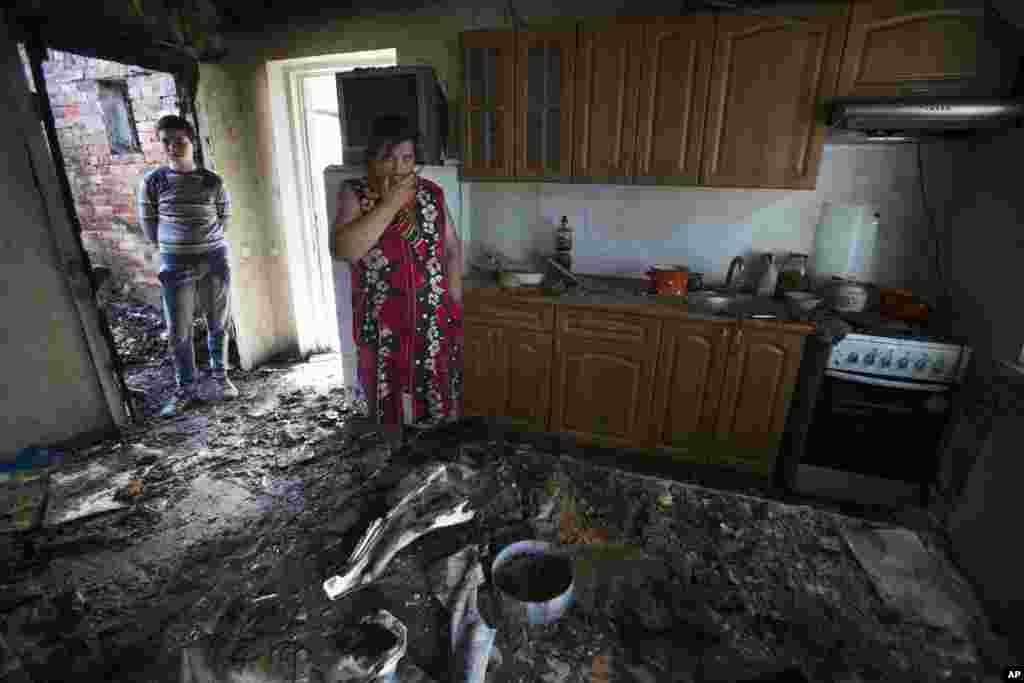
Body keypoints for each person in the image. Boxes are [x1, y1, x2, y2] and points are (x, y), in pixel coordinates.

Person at [331, 115, 464, 427]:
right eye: (388, 158)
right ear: (372, 160)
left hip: (433, 319)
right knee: (389, 404)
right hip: (383, 324)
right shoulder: (355, 193)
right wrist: (390, 204)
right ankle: (392, 454)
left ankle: (433, 454)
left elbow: (453, 248)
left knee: (437, 401)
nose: (399, 167)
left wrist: (454, 302)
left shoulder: (432, 193)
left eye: (407, 158)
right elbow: (345, 250)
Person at [138, 114, 238, 418]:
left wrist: (203, 244)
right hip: (175, 263)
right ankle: (186, 389)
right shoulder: (153, 182)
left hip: (214, 260)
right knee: (178, 330)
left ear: (191, 141)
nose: (172, 147)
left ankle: (221, 380)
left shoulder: (211, 181)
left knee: (217, 322)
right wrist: (173, 247)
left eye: (179, 140)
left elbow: (223, 219)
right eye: (166, 141)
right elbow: (149, 224)